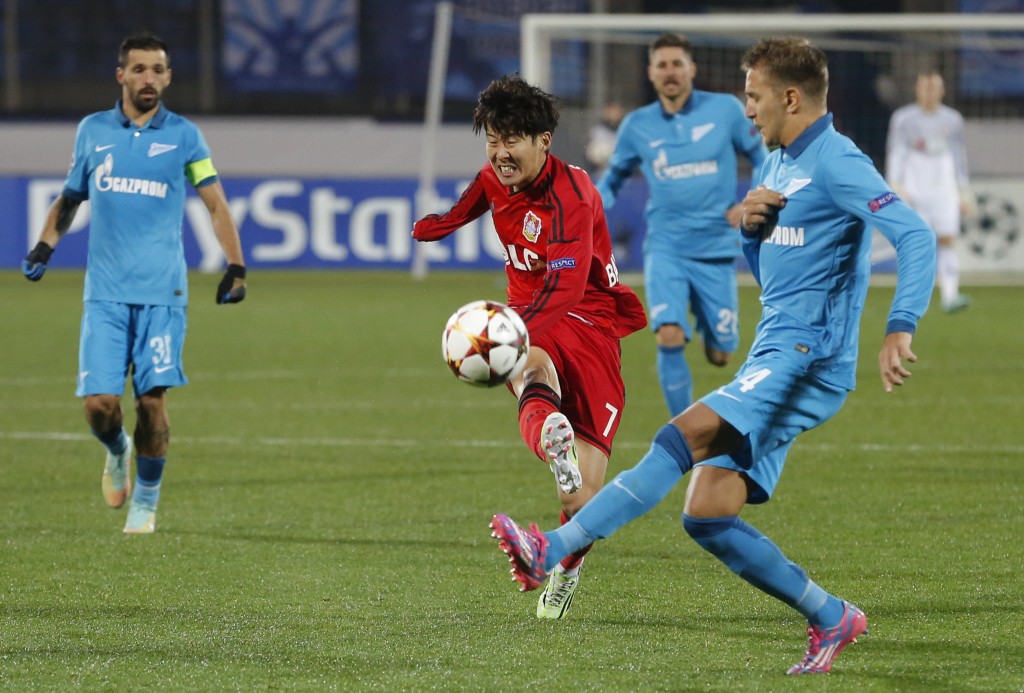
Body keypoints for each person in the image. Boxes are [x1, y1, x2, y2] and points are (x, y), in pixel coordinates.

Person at [490, 38, 936, 674]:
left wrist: (900, 325)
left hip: (806, 359)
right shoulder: (780, 163)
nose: (746, 110)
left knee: (679, 437)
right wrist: (753, 237)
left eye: (753, 96)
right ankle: (834, 616)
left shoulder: (837, 160)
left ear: (790, 97)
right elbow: (776, 269)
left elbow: (914, 235)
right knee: (707, 514)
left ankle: (551, 546)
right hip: (775, 347)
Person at [414, 74, 647, 620]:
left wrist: (507, 330)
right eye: (492, 139)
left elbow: (565, 290)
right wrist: (432, 227)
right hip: (538, 321)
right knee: (531, 366)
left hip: (585, 321)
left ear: (544, 140)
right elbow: (465, 206)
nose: (499, 152)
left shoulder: (574, 197)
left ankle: (566, 567)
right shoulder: (496, 177)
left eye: (512, 139)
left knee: (580, 500)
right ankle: (550, 434)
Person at [21, 32, 247, 535]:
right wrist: (44, 245)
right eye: (139, 69)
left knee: (151, 402)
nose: (150, 78)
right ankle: (117, 449)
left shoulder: (185, 136)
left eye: (158, 70)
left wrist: (236, 265)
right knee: (100, 406)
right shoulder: (93, 131)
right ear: (121, 75)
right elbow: (70, 197)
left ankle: (146, 500)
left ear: (168, 77)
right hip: (104, 293)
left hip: (162, 293)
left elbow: (215, 204)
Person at [597, 33, 768, 417]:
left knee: (723, 353)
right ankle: (684, 433)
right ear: (651, 74)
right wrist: (583, 209)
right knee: (669, 335)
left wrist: (752, 199)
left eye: (677, 64)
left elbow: (763, 156)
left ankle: (712, 329)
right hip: (666, 246)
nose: (670, 72)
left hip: (717, 247)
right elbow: (611, 180)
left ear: (691, 69)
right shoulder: (636, 125)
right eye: (662, 65)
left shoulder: (725, 110)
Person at [886, 69, 973, 313]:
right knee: (918, 242)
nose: (929, 92)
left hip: (943, 186)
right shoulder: (903, 118)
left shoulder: (953, 119)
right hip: (915, 185)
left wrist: (963, 191)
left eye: (934, 87)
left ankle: (950, 295)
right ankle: (911, 298)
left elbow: (958, 155)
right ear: (917, 90)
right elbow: (896, 152)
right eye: (925, 87)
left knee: (947, 239)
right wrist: (895, 186)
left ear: (942, 91)